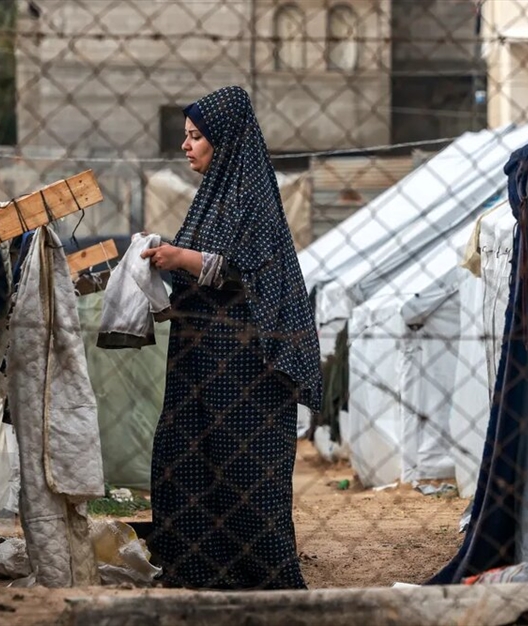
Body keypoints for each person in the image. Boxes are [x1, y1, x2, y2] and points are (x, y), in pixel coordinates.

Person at [140, 85, 323, 590]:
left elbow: (249, 271)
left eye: (196, 137)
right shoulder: (212, 198)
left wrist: (180, 259)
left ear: (225, 141)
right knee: (188, 460)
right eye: (186, 137)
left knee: (244, 474)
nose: (187, 146)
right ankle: (198, 570)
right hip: (203, 362)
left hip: (246, 369)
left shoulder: (251, 196)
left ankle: (262, 580)